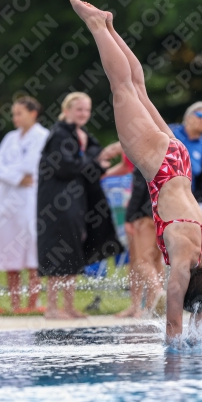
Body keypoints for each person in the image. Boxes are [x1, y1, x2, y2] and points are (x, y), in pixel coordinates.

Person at [69, 0, 202, 340]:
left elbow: (201, 302)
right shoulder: (184, 262)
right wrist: (176, 350)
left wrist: (200, 323)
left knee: (137, 88)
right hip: (161, 169)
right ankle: (96, 25)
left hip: (178, 160)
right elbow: (172, 326)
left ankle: (109, 25)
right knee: (122, 88)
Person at [37, 92, 123, 319]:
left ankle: (68, 305)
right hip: (57, 202)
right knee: (58, 248)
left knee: (74, 247)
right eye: (79, 109)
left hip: (76, 201)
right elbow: (65, 166)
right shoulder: (58, 134)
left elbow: (91, 162)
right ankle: (53, 307)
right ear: (66, 110)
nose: (83, 114)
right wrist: (96, 162)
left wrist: (103, 157)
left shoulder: (82, 134)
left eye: (87, 110)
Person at [0, 96, 49, 312]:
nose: (15, 118)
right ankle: (15, 303)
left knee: (32, 252)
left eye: (20, 113)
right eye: (14, 114)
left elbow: (32, 166)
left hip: (30, 200)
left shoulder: (42, 136)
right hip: (8, 201)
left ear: (33, 113)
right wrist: (17, 177)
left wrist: (12, 173)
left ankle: (33, 301)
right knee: (10, 249)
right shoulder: (10, 138)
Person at [101, 143, 165, 318]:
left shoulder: (140, 152)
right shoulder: (164, 153)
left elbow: (138, 187)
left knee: (141, 261)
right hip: (161, 213)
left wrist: (129, 218)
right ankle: (145, 307)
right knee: (154, 261)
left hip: (142, 215)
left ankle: (157, 294)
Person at [170, 102, 202, 202]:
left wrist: (196, 198)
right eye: (199, 115)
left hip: (185, 198)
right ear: (188, 116)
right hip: (156, 191)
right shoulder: (169, 132)